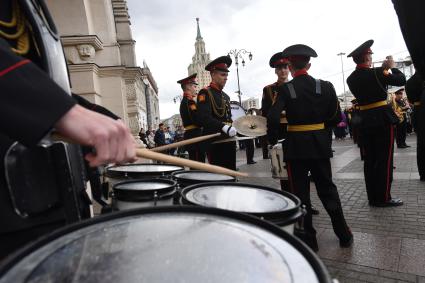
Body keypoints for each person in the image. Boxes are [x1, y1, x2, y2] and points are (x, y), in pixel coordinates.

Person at [0, 0, 136, 259]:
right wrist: (58, 110)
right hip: (9, 214)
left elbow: (47, 79)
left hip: (53, 198)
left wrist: (100, 117)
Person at [267, 44, 352, 251]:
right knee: (327, 189)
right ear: (309, 64)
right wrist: (322, 133)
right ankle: (343, 234)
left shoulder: (286, 89)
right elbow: (335, 115)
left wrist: (274, 139)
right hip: (319, 146)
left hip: (296, 148)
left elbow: (272, 117)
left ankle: (309, 240)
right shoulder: (326, 86)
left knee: (300, 194)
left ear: (290, 66)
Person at [346, 40, 406, 207]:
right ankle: (384, 197)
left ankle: (373, 197)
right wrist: (391, 67)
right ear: (366, 57)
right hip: (381, 118)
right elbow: (401, 79)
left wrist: (383, 69)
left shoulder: (351, 78)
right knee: (384, 160)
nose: (372, 57)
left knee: (370, 160)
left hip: (365, 119)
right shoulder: (378, 72)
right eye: (370, 54)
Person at [196, 56, 237, 170]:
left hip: (229, 140)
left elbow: (228, 118)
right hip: (215, 142)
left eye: (227, 75)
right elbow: (203, 118)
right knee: (220, 177)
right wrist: (223, 127)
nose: (226, 78)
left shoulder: (225, 96)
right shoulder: (205, 93)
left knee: (231, 173)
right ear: (213, 74)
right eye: (222, 75)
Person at [260, 52, 290, 159]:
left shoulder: (296, 86)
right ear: (276, 71)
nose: (283, 70)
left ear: (289, 68)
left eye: (285, 67)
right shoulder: (268, 89)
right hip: (277, 130)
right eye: (279, 68)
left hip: (294, 129)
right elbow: (265, 113)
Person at [178, 73, 205, 162]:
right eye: (194, 86)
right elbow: (197, 120)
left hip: (192, 135)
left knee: (196, 165)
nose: (195, 88)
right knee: (198, 167)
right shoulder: (189, 102)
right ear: (188, 87)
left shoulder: (186, 101)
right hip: (195, 136)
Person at [405, 70, 425, 181]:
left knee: (421, 144)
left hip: (417, 112)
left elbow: (410, 100)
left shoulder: (410, 81)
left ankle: (422, 173)